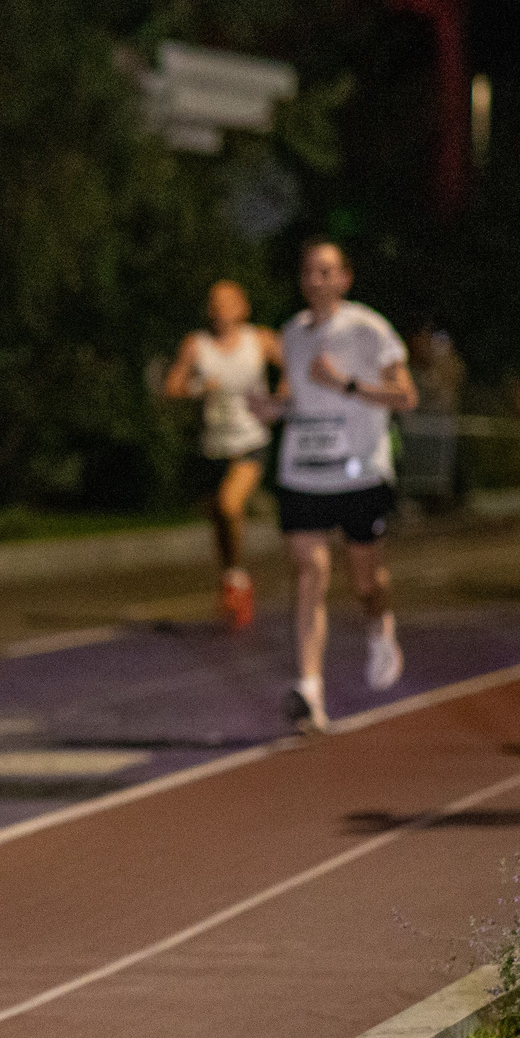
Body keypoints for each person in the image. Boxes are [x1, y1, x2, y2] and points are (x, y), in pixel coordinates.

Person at [251, 240, 417, 734]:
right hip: (304, 470)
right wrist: (272, 408)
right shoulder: (293, 333)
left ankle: (379, 624)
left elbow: (406, 396)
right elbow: (294, 397)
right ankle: (311, 691)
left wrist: (346, 385)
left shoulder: (368, 329)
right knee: (310, 572)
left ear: (345, 278)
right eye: (308, 272)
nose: (316, 281)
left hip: (359, 470)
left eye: (326, 272)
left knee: (365, 583)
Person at [162, 279, 281, 629]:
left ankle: (237, 581)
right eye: (214, 303)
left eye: (228, 302)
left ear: (243, 306)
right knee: (219, 517)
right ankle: (234, 578)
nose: (220, 309)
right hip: (214, 445)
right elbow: (172, 385)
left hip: (251, 440)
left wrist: (278, 400)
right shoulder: (196, 345)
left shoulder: (259, 340)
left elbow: (294, 367)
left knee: (230, 504)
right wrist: (198, 386)